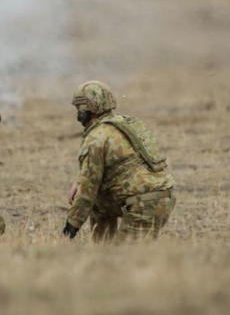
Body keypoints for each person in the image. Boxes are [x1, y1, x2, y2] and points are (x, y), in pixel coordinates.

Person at [63, 80, 175, 243]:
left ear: (85, 108)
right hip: (160, 197)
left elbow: (87, 193)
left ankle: (108, 254)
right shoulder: (125, 123)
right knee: (98, 205)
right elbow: (95, 176)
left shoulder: (95, 137)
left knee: (126, 262)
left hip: (144, 206)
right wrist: (80, 181)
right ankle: (103, 248)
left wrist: (69, 230)